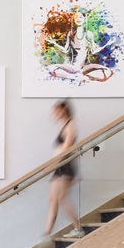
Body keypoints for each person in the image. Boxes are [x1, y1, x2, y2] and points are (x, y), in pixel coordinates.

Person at [44, 99, 84, 238]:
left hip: (65, 165)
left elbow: (66, 149)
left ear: (63, 110)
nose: (54, 113)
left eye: (56, 110)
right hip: (60, 165)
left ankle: (78, 228)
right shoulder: (64, 126)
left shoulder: (70, 125)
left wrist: (52, 164)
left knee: (61, 198)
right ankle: (47, 233)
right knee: (53, 199)